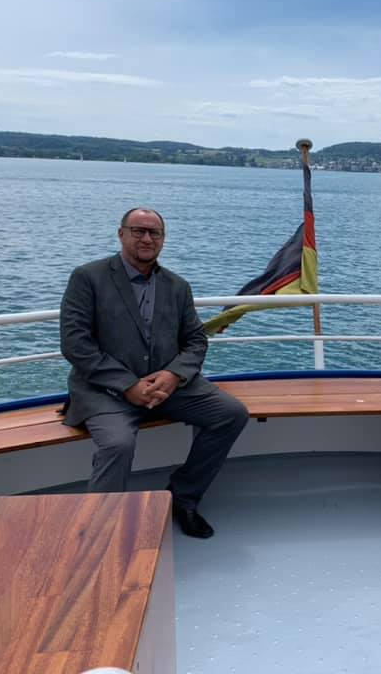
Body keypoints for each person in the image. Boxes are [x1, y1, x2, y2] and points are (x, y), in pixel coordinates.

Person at [60, 207, 248, 539]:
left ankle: (183, 498)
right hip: (106, 391)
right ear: (121, 234)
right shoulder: (88, 277)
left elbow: (195, 340)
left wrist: (173, 375)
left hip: (167, 388)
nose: (147, 238)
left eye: (154, 233)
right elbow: (75, 344)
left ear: (163, 239)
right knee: (117, 444)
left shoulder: (177, 286)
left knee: (231, 414)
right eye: (138, 231)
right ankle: (99, 529)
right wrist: (127, 385)